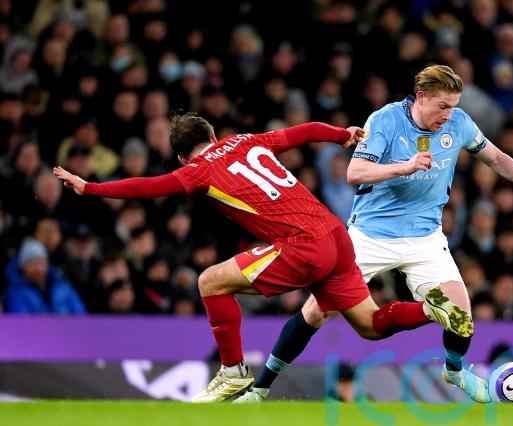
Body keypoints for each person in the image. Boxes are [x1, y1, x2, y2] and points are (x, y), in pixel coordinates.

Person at [237, 64, 513, 404]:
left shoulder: (459, 123)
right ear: (421, 97)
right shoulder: (386, 120)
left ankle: (454, 370)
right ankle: (260, 389)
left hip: (425, 239)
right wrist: (404, 167)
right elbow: (355, 172)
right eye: (443, 106)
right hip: (369, 237)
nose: (449, 115)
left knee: (461, 318)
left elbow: (496, 158)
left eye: (453, 106)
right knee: (316, 312)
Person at [53, 113, 433, 402]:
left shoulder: (197, 170)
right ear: (213, 136)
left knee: (210, 281)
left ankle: (233, 370)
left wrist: (91, 187)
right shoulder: (246, 141)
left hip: (302, 243)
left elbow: (149, 186)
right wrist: (340, 134)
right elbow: (302, 132)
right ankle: (433, 310)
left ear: (183, 157)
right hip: (336, 234)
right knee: (369, 324)